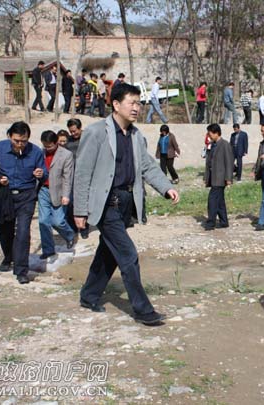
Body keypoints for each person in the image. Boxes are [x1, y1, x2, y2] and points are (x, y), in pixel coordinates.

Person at [73, 83, 179, 324]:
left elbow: (148, 166)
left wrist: (167, 187)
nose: (136, 108)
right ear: (116, 104)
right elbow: (82, 173)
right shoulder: (96, 132)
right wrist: (79, 210)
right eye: (131, 102)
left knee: (108, 252)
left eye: (138, 103)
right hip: (106, 204)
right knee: (128, 254)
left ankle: (89, 295)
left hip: (126, 203)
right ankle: (143, 310)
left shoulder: (136, 135)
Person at [0, 121, 47, 284]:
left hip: (26, 196)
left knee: (23, 232)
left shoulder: (36, 151)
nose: (20, 144)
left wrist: (40, 173)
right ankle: (8, 258)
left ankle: (21, 270)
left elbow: (44, 172)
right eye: (16, 141)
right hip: (5, 195)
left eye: (24, 141)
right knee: (5, 230)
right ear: (9, 136)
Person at [38, 130, 76, 260]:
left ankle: (69, 235)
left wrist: (66, 195)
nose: (47, 148)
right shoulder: (40, 153)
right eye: (45, 146)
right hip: (43, 190)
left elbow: (67, 177)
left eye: (49, 146)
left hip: (59, 191)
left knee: (58, 221)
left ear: (56, 143)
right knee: (43, 221)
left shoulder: (66, 155)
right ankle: (48, 250)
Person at [203, 123, 233, 230]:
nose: (209, 135)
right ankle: (224, 222)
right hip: (213, 177)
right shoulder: (212, 145)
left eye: (210, 133)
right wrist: (206, 177)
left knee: (212, 200)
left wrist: (228, 178)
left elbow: (229, 162)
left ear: (216, 133)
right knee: (219, 201)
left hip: (220, 178)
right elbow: (209, 162)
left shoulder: (225, 145)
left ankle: (211, 223)